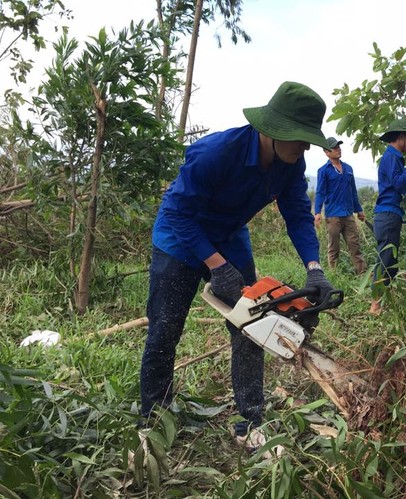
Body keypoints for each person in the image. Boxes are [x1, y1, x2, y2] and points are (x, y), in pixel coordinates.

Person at [140, 81, 335, 455]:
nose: (305, 146)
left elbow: (296, 213)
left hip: (230, 236)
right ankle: (153, 422)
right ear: (273, 130)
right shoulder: (215, 153)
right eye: (299, 137)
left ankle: (250, 421)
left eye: (309, 139)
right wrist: (216, 266)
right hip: (179, 238)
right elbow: (180, 213)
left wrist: (315, 269)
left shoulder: (291, 162)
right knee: (165, 329)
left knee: (251, 325)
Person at [369, 118, 406, 315]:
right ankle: (375, 303)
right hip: (387, 216)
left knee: (390, 261)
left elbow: (392, 191)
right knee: (385, 260)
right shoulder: (392, 157)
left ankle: (384, 300)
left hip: (391, 213)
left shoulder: (393, 158)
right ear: (401, 137)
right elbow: (398, 183)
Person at [314, 137, 367, 274]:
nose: (338, 149)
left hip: (348, 215)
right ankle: (334, 275)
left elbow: (353, 191)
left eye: (339, 146)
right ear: (326, 152)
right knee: (334, 248)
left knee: (355, 246)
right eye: (334, 147)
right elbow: (320, 192)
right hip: (333, 216)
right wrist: (318, 212)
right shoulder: (324, 170)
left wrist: (359, 210)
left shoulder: (348, 169)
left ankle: (363, 274)